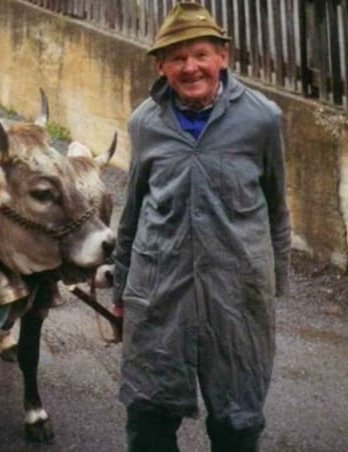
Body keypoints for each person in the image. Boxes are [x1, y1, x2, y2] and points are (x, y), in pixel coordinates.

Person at [110, 2, 291, 451]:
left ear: (223, 57)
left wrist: (270, 292)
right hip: (159, 295)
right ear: (161, 66)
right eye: (177, 57)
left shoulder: (262, 119)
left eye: (201, 55)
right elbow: (131, 214)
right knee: (149, 418)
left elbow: (278, 212)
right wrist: (120, 294)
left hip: (236, 300)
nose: (191, 67)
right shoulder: (145, 123)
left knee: (237, 423)